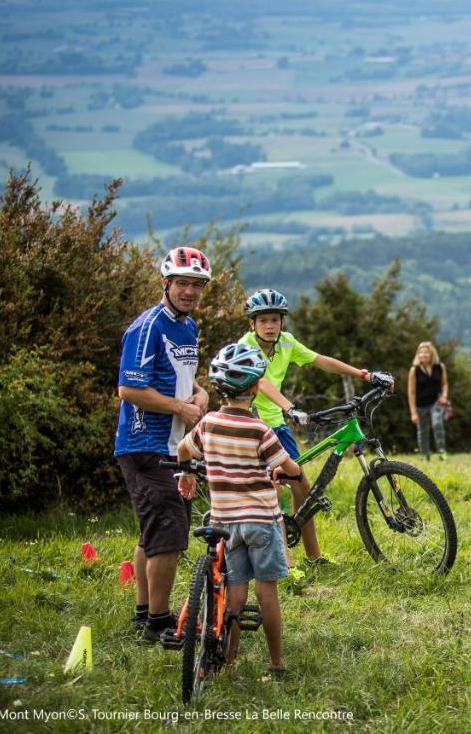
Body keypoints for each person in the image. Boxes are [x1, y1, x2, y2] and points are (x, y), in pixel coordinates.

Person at [176, 342, 301, 675]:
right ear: (257, 387)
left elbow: (182, 450)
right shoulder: (260, 430)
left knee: (235, 595)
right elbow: (288, 466)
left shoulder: (208, 425)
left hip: (225, 523)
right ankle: (275, 663)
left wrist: (188, 474)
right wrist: (290, 472)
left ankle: (229, 662)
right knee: (267, 592)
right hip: (260, 521)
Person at [240, 288, 385, 566]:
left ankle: (313, 557)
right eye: (263, 321)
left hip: (277, 426)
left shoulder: (286, 342)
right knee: (273, 491)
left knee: (301, 487)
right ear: (252, 323)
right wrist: (289, 406)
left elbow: (322, 361)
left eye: (275, 320)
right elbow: (260, 381)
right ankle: (285, 564)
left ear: (283, 321)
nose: (270, 326)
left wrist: (364, 374)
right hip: (253, 424)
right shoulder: (246, 345)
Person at [115, 246, 211, 645]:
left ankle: (144, 613)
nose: (189, 291)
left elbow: (184, 379)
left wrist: (201, 397)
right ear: (166, 283)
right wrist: (181, 409)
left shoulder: (188, 326)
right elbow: (128, 388)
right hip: (146, 444)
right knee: (168, 535)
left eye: (196, 285)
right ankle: (159, 624)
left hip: (175, 444)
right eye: (182, 283)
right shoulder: (147, 326)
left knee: (152, 534)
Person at [407, 341, 449, 461]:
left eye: (426, 352)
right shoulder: (414, 370)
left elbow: (445, 383)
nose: (424, 355)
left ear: (432, 354)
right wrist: (413, 412)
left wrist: (444, 395)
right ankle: (425, 455)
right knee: (422, 430)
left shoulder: (440, 367)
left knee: (437, 424)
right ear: (418, 355)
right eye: (421, 352)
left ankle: (442, 452)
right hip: (420, 405)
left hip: (436, 402)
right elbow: (411, 393)